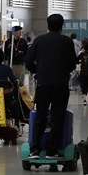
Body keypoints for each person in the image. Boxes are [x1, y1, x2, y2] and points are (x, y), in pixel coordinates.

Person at [25, 14, 77, 159]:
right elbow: (72, 64)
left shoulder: (39, 41)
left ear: (47, 26)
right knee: (57, 117)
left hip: (43, 84)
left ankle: (35, 149)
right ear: (62, 26)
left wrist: (38, 71)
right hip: (60, 84)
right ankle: (51, 151)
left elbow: (28, 61)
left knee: (40, 115)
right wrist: (63, 72)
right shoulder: (67, 41)